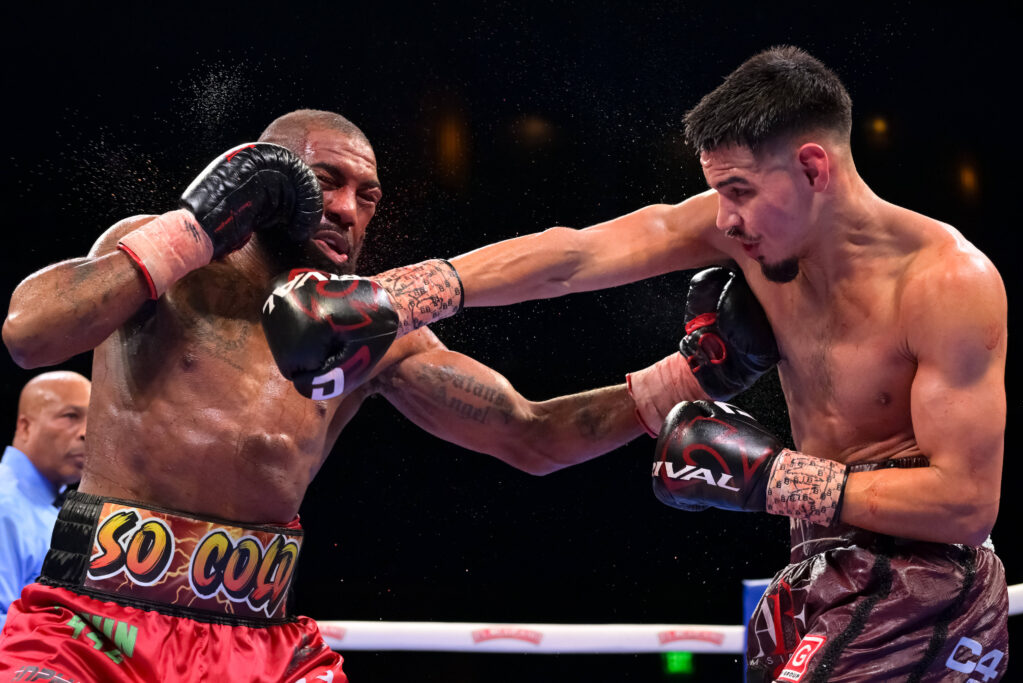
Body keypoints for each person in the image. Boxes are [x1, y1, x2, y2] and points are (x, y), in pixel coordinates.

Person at [0, 110, 694, 682]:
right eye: (327, 182)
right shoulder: (166, 264)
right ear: (269, 183)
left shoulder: (368, 336)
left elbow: (532, 433)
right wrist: (196, 226)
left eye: (367, 196)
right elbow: (29, 333)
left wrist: (695, 373)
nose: (346, 209)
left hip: (261, 647)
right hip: (93, 631)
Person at [445, 47, 1008, 681]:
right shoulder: (753, 240)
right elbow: (575, 257)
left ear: (813, 168)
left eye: (739, 190)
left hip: (925, 581)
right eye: (717, 191)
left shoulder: (946, 282)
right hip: (819, 564)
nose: (724, 219)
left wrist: (769, 477)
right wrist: (392, 297)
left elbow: (966, 504)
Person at [0, 371, 90, 631]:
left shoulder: (59, 508)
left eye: (92, 421)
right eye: (70, 416)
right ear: (25, 427)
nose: (87, 433)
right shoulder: (5, 504)